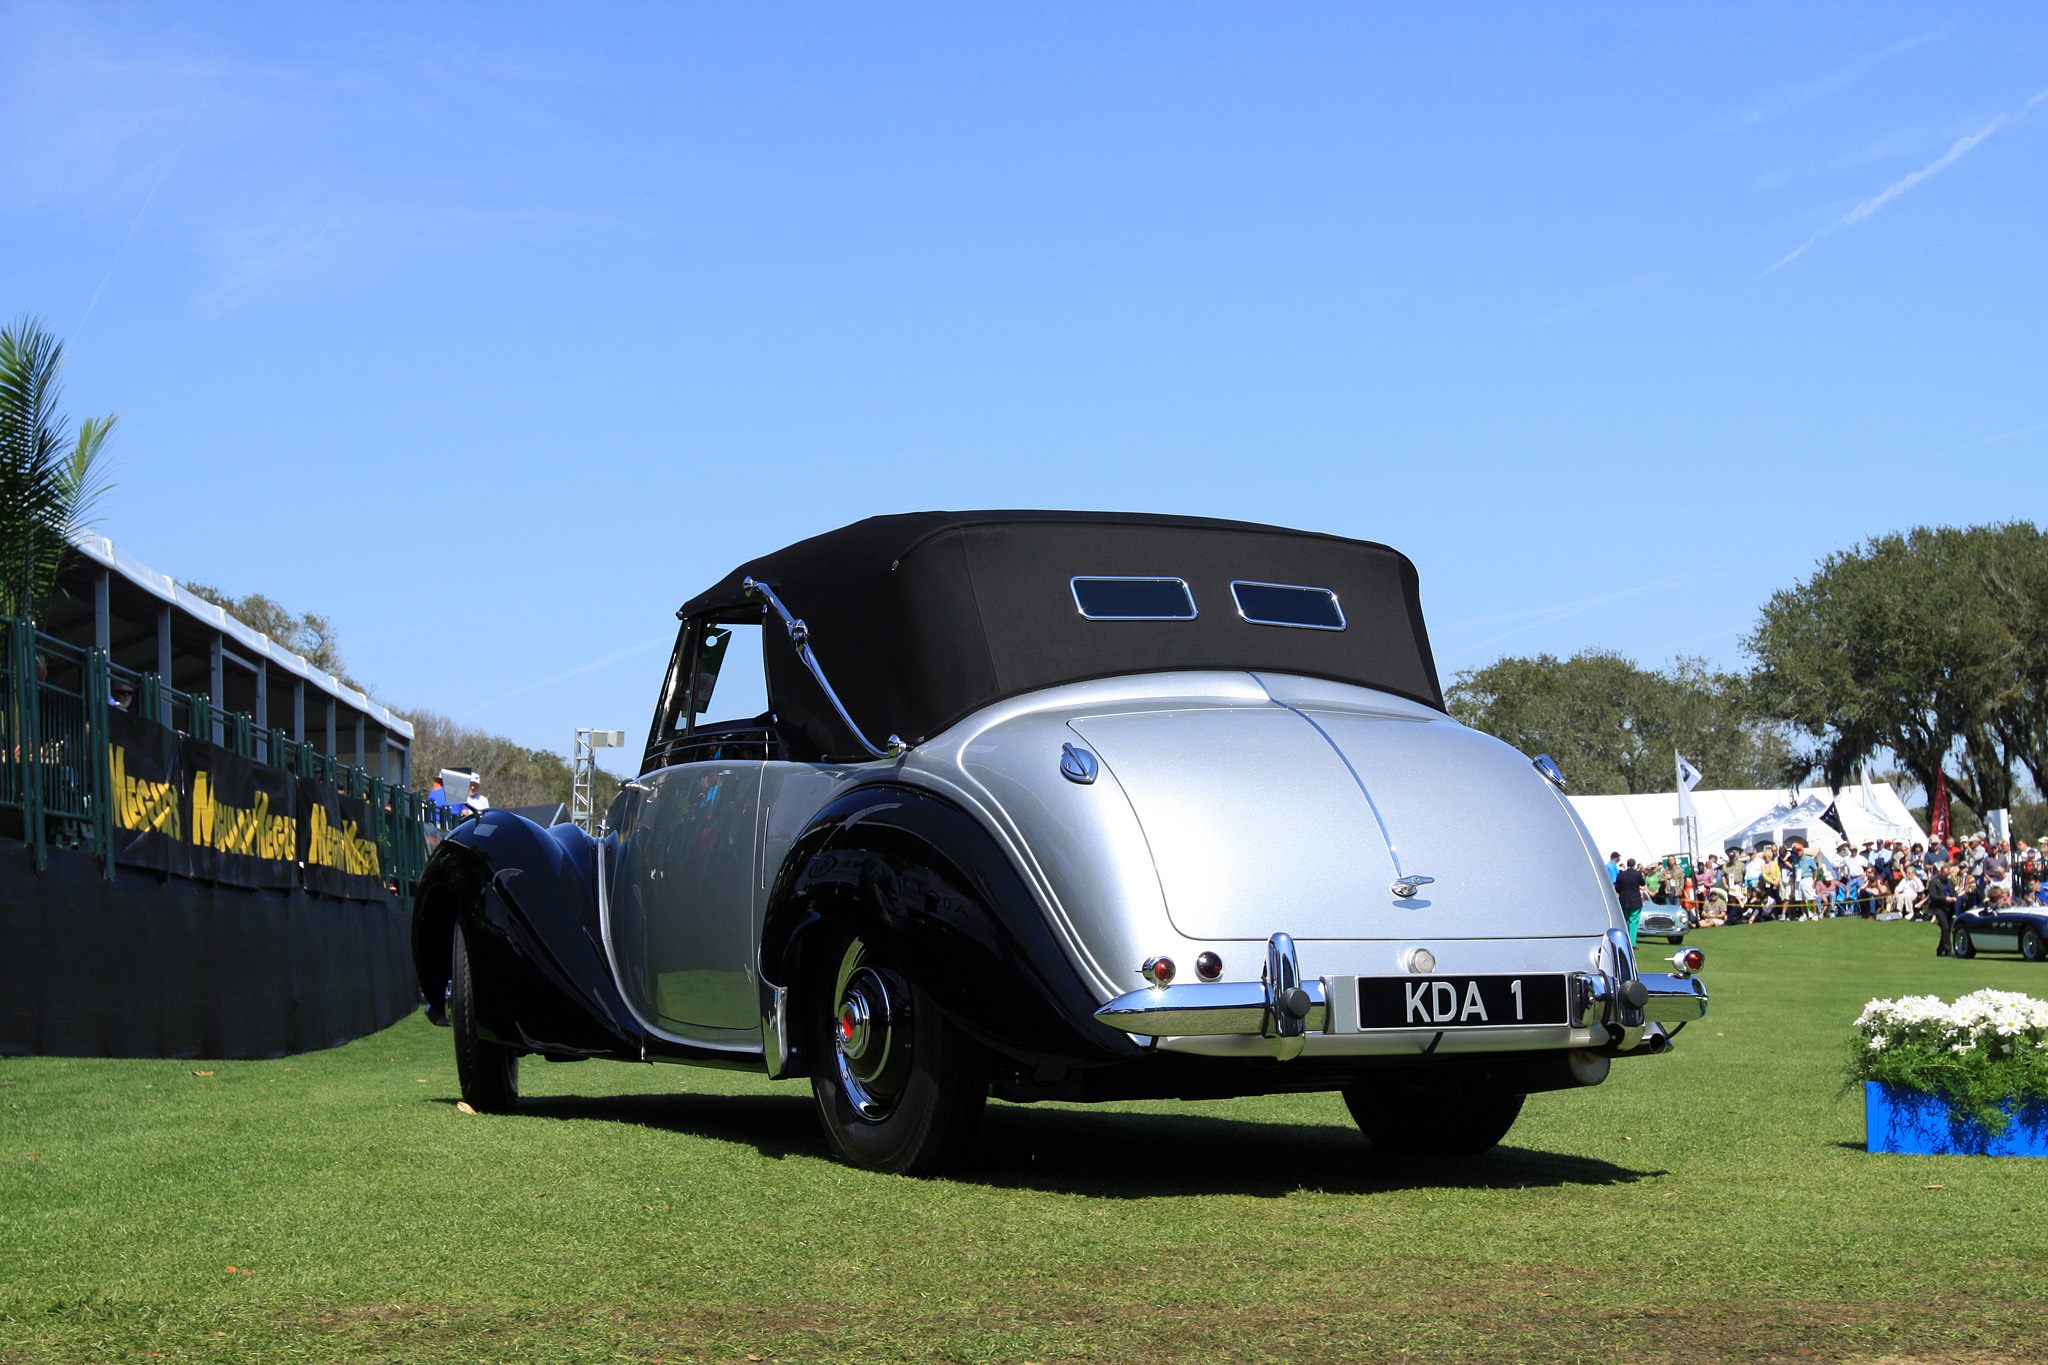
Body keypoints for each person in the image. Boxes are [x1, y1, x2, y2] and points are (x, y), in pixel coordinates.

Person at [1925, 862, 1958, 956]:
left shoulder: (1950, 882)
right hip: (1939, 908)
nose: (1946, 877)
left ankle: (1940, 950)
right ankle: (1948, 950)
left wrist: (1955, 897)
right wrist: (1945, 898)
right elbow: (1933, 895)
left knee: (1947, 929)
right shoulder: (1934, 882)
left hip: (1949, 907)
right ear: (1941, 872)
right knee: (1945, 927)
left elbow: (1954, 892)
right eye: (1945, 875)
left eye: (1948, 875)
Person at [1615, 858, 1647, 943]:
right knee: (1633, 921)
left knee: (1625, 920)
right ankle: (1632, 942)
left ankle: (1625, 940)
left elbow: (1617, 888)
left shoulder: (1621, 875)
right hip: (1635, 900)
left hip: (1624, 900)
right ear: (1634, 864)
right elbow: (1643, 883)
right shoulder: (1637, 874)